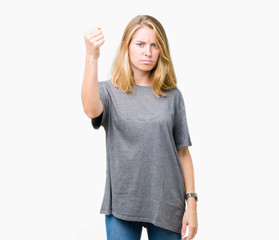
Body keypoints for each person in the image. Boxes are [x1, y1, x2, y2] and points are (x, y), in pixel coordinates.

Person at [81, 15, 198, 240]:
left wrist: (191, 205)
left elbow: (183, 152)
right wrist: (91, 57)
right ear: (126, 47)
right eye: (141, 44)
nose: (148, 52)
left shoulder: (172, 96)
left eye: (155, 45)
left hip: (166, 203)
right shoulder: (109, 92)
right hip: (122, 204)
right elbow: (90, 109)